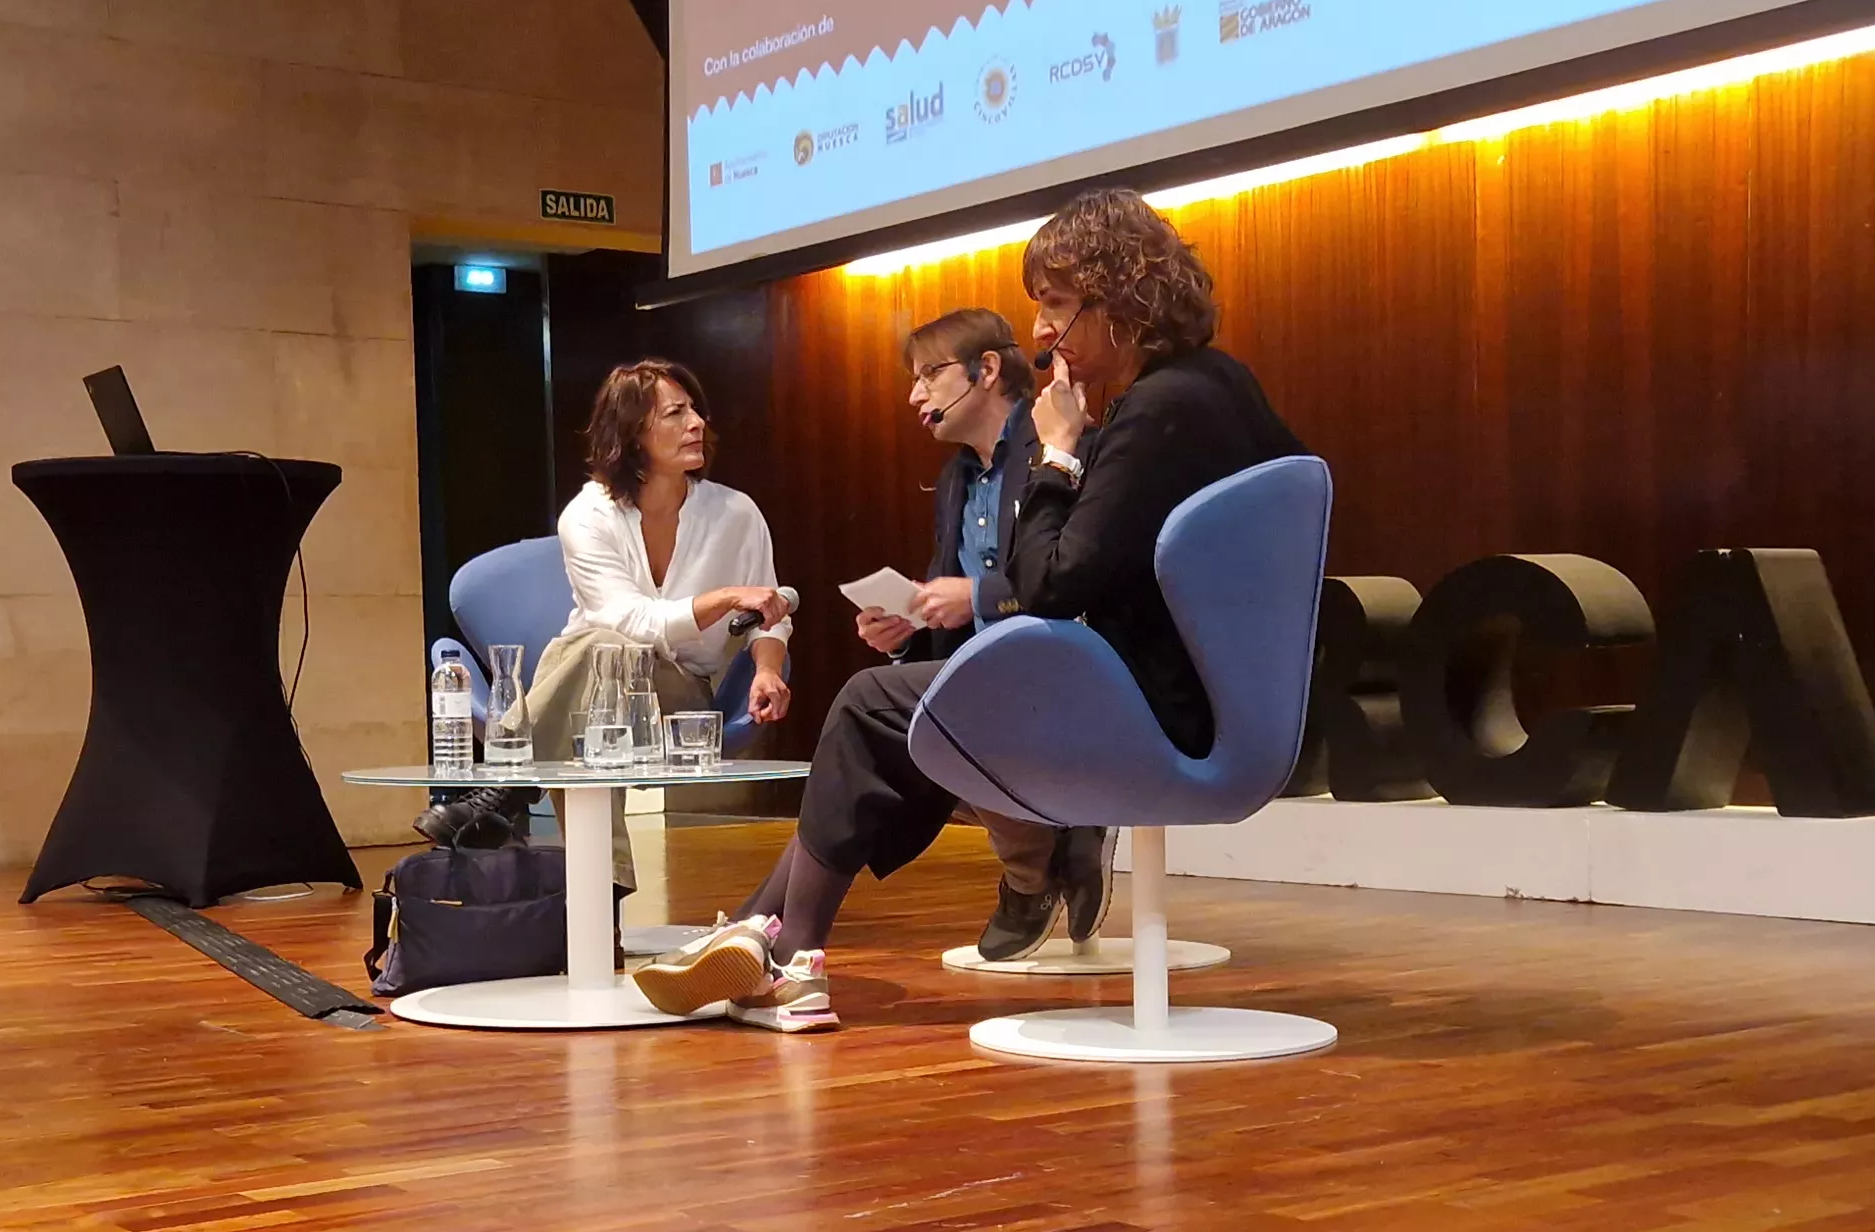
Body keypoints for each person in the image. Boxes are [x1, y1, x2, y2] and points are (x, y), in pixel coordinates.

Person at [640, 189, 1307, 1030]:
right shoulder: (1227, 388)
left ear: (1119, 297)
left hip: (1160, 714)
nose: (1042, 334)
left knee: (869, 706)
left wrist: (1058, 455)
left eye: (1056, 306)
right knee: (894, 712)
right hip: (1228, 703)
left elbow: (1054, 583)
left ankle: (788, 949)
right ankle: (766, 933)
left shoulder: (1157, 410)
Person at [433, 361, 793, 841]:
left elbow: (769, 616)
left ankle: (506, 786)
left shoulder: (736, 514)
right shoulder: (588, 515)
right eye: (675, 413)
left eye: (694, 410)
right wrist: (724, 597)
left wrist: (767, 669)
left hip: (676, 694)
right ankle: (607, 882)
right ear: (632, 434)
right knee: (602, 659)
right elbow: (631, 620)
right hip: (594, 685)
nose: (696, 423)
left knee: (597, 653)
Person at [857, 308, 1112, 962]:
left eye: (928, 375)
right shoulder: (955, 479)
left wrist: (974, 598)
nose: (914, 396)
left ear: (987, 369)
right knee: (905, 707)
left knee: (903, 705)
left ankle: (1030, 873)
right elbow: (951, 598)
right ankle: (1059, 842)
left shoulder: (1067, 445)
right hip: (985, 663)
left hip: (1075, 656)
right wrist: (908, 625)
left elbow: (1081, 578)